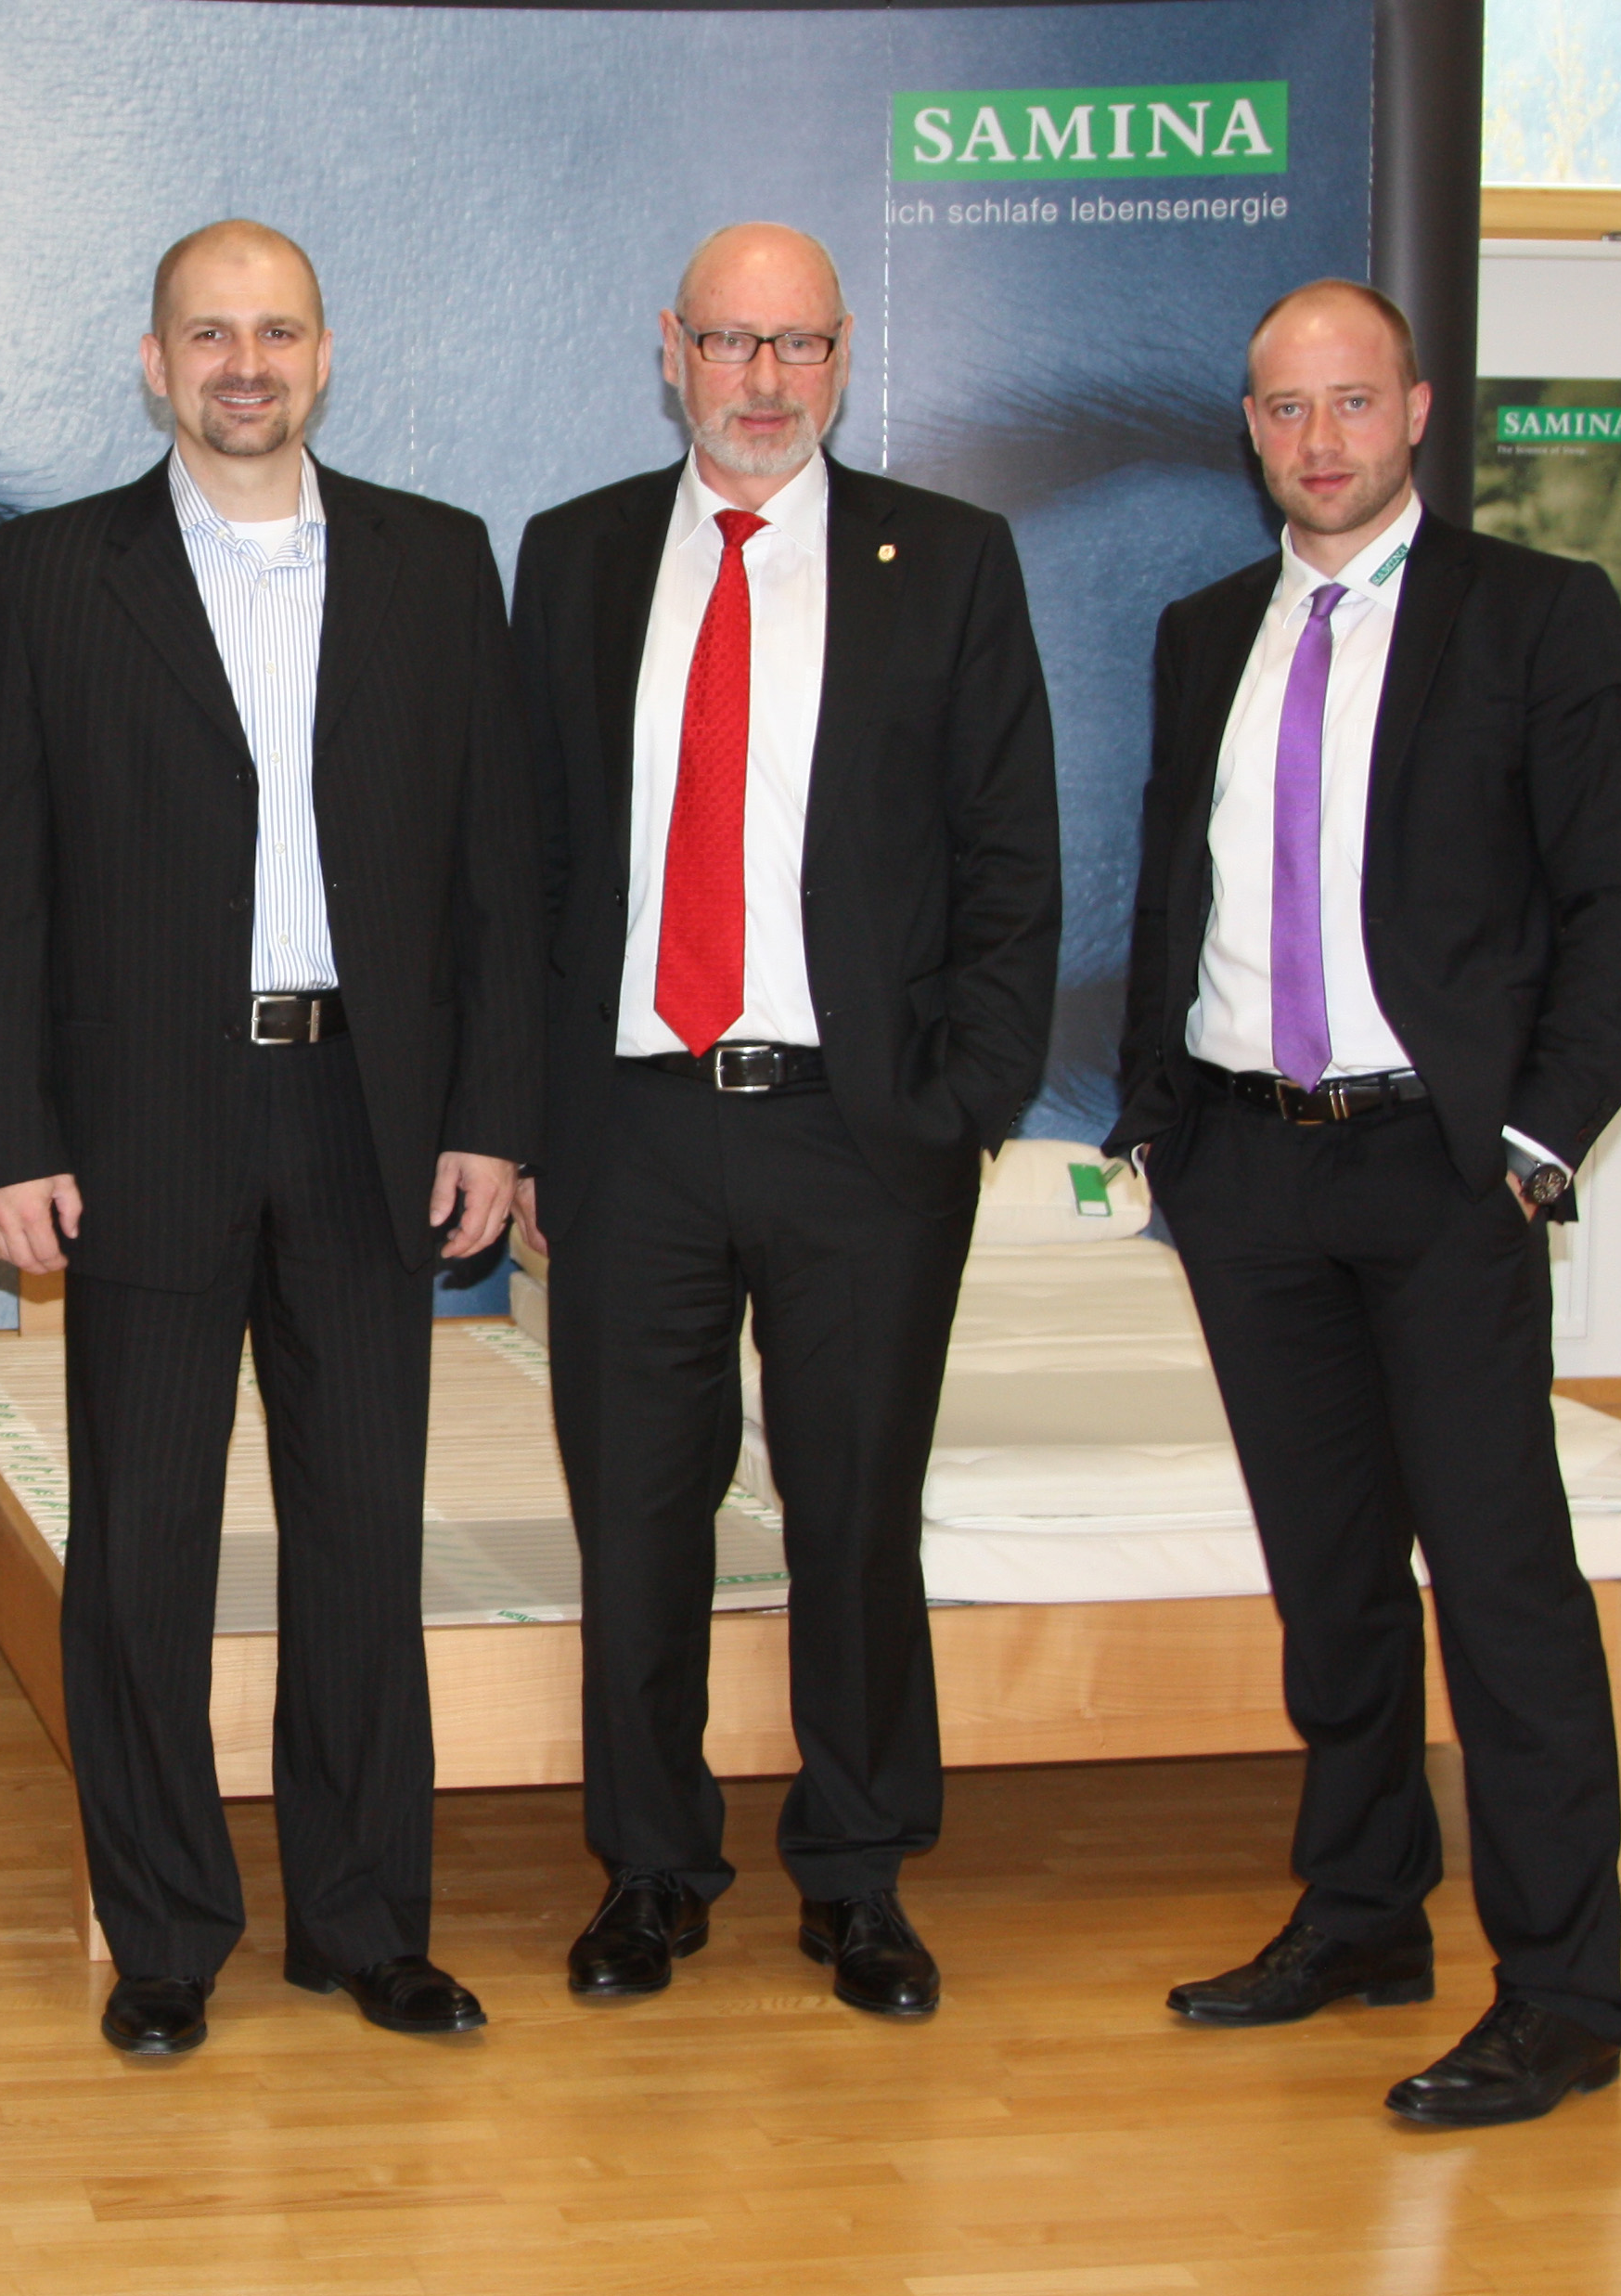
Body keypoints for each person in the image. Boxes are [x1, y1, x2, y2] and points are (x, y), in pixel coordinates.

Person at [0, 221, 540, 2056]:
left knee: (362, 1539)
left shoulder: (437, 561)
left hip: (370, 1120)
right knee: (142, 1551)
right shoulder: (51, 573)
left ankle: (364, 1923)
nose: (244, 364)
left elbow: (498, 869)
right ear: (154, 362)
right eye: (209, 333)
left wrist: (493, 1118)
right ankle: (167, 1931)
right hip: (144, 1129)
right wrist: (2, 1133)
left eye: (275, 332)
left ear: (323, 355)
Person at [1109, 279, 1621, 2125]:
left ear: (1417, 410)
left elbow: (1619, 895)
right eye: (1285, 408)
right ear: (1248, 427)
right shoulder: (1206, 631)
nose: (1319, 439)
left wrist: (1540, 1135)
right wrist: (1158, 1120)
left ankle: (1562, 1993)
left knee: (1499, 1584)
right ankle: (1362, 1911)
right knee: (1330, 1579)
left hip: (1442, 1169)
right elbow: (1176, 885)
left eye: (1351, 401)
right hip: (1247, 1164)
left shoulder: (1533, 615)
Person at [510, 223, 1061, 2018]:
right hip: (632, 1128)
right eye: (731, 342)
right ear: (669, 348)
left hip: (858, 1133)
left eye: (798, 345)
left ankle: (858, 1872)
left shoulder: (948, 560)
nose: (762, 381)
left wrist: (958, 1107)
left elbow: (1010, 857)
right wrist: (524, 1122)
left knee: (854, 1512)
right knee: (637, 1520)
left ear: (841, 356)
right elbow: (524, 862)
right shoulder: (576, 555)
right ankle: (649, 1867)